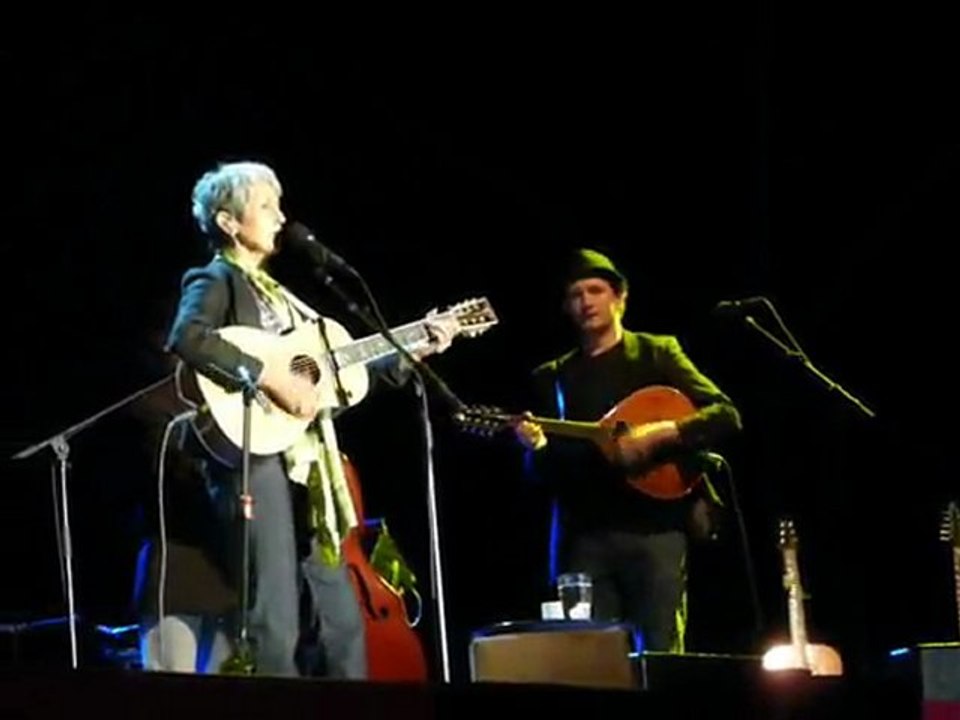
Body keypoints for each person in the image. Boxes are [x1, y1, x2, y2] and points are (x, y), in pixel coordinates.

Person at [151, 159, 456, 677]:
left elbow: (335, 375)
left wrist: (412, 349)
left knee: (342, 617)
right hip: (257, 458)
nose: (279, 216)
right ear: (228, 223)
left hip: (310, 466)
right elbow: (189, 337)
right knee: (275, 616)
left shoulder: (288, 302)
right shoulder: (216, 278)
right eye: (265, 206)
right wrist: (267, 378)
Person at [513, 248, 742, 653]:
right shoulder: (553, 378)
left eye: (596, 290)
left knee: (659, 654)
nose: (586, 302)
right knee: (590, 660)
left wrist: (665, 433)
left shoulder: (657, 352)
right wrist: (536, 449)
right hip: (584, 540)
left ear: (619, 298)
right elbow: (544, 474)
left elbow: (725, 414)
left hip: (657, 532)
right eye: (576, 295)